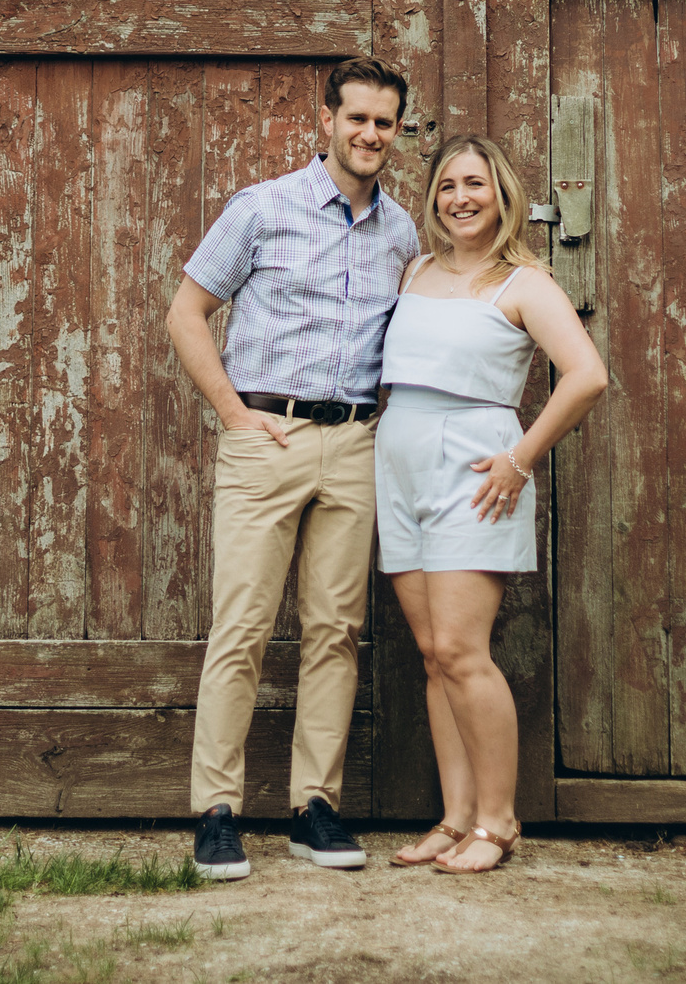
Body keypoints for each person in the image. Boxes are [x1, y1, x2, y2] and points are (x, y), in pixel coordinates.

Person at [166, 57, 421, 881]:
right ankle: (217, 811)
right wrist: (236, 415)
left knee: (335, 632)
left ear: (396, 131)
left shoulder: (402, 232)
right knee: (240, 627)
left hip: (352, 441)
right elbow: (187, 311)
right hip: (265, 435)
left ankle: (315, 805)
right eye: (357, 118)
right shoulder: (262, 207)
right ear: (325, 118)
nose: (371, 134)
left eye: (385, 123)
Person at [378, 133, 606, 874]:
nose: (460, 198)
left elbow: (585, 375)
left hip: (473, 467)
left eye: (474, 183)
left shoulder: (524, 283)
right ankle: (455, 817)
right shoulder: (415, 268)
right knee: (432, 655)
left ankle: (499, 822)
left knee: (462, 650)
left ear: (502, 193)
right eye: (447, 186)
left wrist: (520, 457)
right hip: (401, 462)